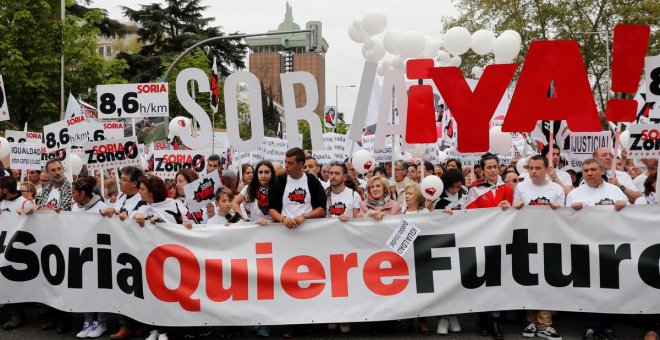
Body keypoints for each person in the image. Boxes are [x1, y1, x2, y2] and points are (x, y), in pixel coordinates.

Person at [565, 159, 627, 340]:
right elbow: (565, 223)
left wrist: (623, 208)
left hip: (611, 247)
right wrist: (571, 211)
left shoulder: (616, 191)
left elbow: (631, 219)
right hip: (585, 247)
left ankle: (607, 326)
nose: (589, 173)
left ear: (602, 171)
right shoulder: (574, 194)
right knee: (589, 288)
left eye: (593, 169)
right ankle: (591, 326)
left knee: (611, 288)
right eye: (586, 170)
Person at [512, 155, 564, 340]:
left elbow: (566, 218)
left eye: (537, 168)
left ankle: (545, 324)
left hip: (549, 240)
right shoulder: (521, 187)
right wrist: (514, 207)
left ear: (546, 169)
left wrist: (560, 209)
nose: (533, 171)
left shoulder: (556, 189)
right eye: (530, 168)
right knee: (529, 280)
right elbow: (512, 215)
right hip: (527, 240)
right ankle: (532, 321)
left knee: (546, 281)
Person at [466, 153, 513, 340]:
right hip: (482, 240)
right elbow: (469, 215)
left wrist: (508, 207)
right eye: (489, 167)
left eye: (495, 166)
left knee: (497, 281)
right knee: (482, 281)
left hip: (502, 240)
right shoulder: (474, 189)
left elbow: (516, 213)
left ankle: (495, 320)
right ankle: (482, 318)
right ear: (482, 170)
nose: (493, 170)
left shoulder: (507, 189)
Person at [69, 177, 108, 338]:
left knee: (99, 289)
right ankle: (88, 321)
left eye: (74, 193)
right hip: (81, 255)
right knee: (85, 289)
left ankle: (101, 322)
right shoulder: (75, 208)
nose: (72, 195)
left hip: (99, 255)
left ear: (83, 193)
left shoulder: (102, 207)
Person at [0, 176, 34, 331]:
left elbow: (35, 209)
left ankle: (18, 314)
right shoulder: (2, 202)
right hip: (2, 248)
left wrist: (29, 209)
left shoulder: (24, 202)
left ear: (5, 190)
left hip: (18, 251)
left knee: (14, 281)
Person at [268, 147, 327, 230]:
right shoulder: (280, 181)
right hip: (284, 230)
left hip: (309, 230)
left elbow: (321, 209)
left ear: (300, 164)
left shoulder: (312, 181)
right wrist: (283, 219)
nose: (286, 166)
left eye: (290, 163)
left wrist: (304, 216)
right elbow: (271, 209)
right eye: (285, 162)